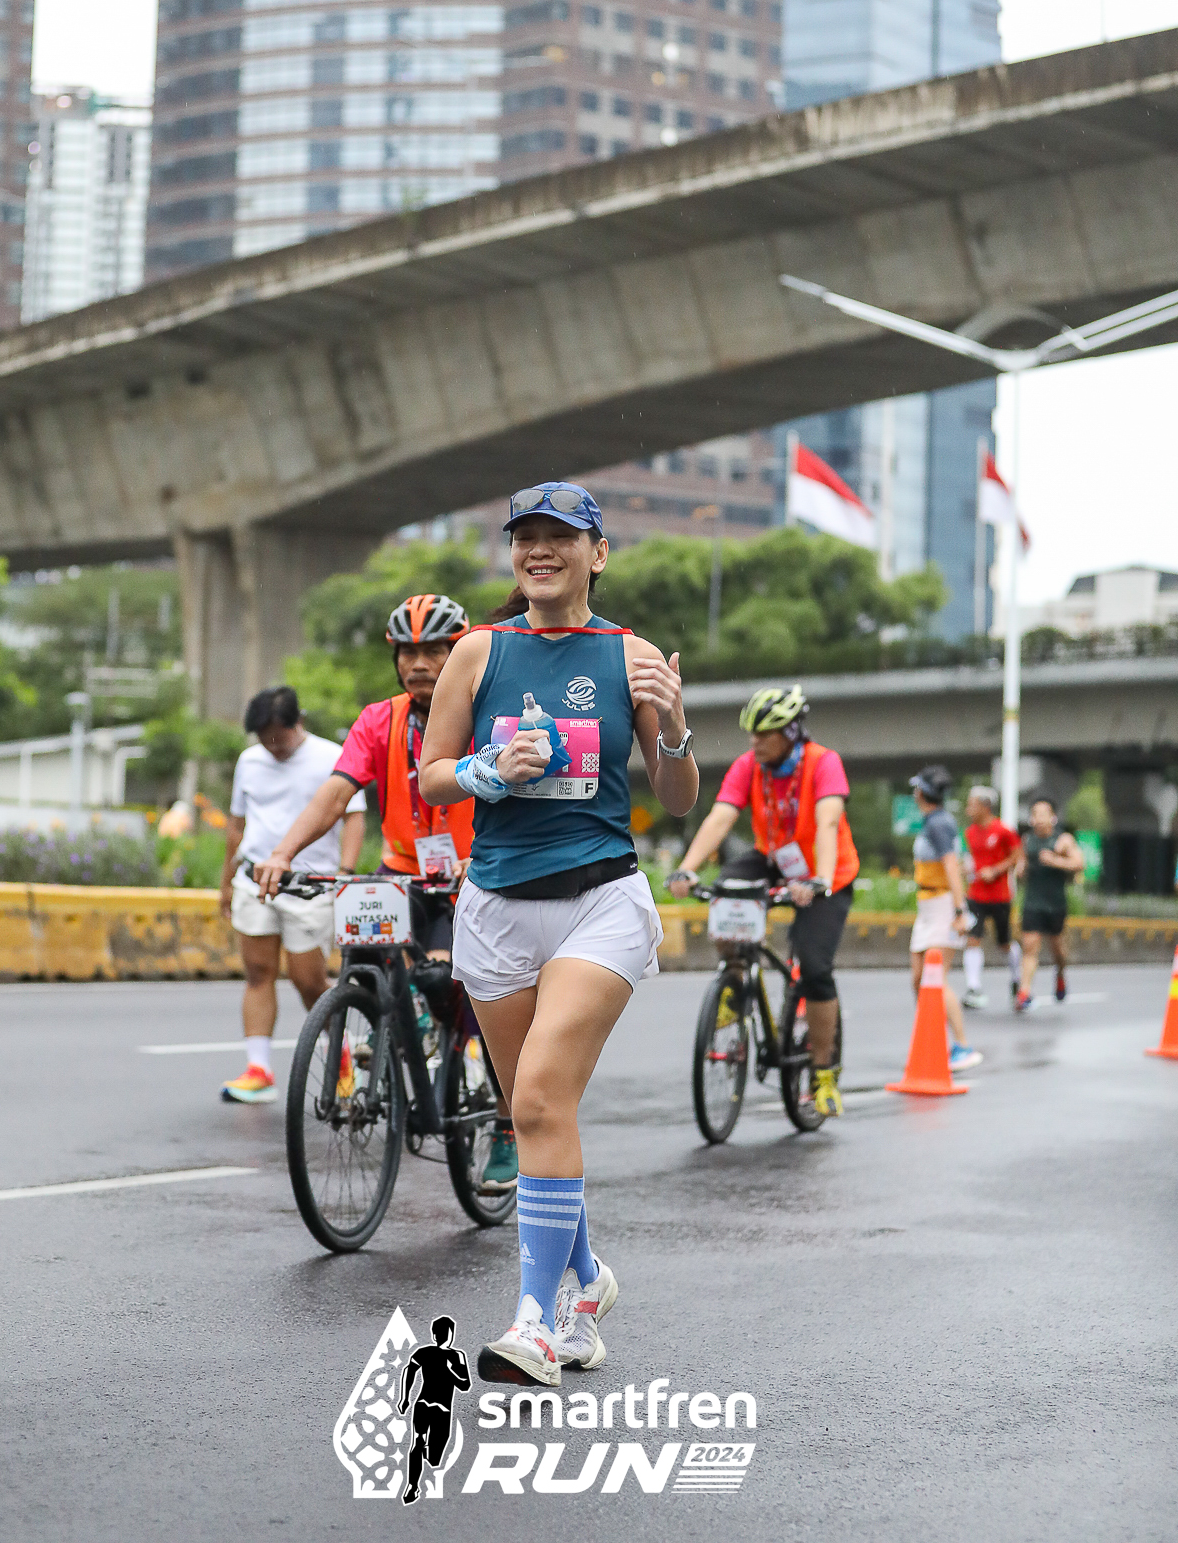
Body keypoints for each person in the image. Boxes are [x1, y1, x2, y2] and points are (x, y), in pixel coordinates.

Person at [418, 481, 698, 1388]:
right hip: (496, 905)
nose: (540, 550)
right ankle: (586, 1279)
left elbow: (677, 798)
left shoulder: (630, 657)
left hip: (598, 901)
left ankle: (535, 1324)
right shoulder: (476, 651)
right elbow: (430, 776)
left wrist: (676, 725)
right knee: (534, 1112)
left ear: (597, 553)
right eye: (525, 537)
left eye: (561, 537)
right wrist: (485, 769)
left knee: (538, 1096)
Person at [252, 595, 520, 1189]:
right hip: (401, 873)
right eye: (407, 652)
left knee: (466, 989)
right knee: (365, 948)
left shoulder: (490, 711)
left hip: (475, 877)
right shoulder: (379, 720)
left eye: (434, 651)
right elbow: (335, 794)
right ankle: (392, 1024)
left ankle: (506, 1125)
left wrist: (482, 856)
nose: (418, 664)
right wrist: (283, 853)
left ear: (460, 653)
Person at [668, 683, 856, 1119]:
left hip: (825, 871)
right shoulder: (748, 766)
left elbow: (828, 822)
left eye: (764, 733)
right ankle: (735, 985)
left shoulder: (823, 763)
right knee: (725, 893)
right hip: (774, 858)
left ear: (790, 733)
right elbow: (721, 817)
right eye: (751, 733)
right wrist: (687, 868)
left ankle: (823, 1072)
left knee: (814, 969)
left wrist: (820, 879)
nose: (754, 741)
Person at [218, 685, 366, 1105]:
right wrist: (225, 883)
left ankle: (342, 1062)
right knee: (258, 973)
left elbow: (354, 817)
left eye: (278, 738)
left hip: (309, 885)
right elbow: (236, 826)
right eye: (263, 739)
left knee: (308, 980)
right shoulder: (250, 761)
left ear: (297, 722)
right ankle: (258, 1070)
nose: (271, 747)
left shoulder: (331, 756)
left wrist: (345, 873)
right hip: (253, 881)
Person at [908, 766, 982, 1072]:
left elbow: (952, 865)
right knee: (918, 979)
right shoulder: (934, 821)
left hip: (941, 905)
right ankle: (934, 1040)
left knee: (936, 979)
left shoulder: (939, 823)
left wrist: (960, 910)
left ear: (923, 793)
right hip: (927, 905)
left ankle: (962, 1046)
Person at [1014, 794, 1084, 1012]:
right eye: (1035, 814)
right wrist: (1020, 870)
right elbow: (1020, 866)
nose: (1039, 819)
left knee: (1058, 951)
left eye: (1044, 814)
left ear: (1053, 817)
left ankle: (1060, 974)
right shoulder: (1027, 840)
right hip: (1033, 902)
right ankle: (1024, 992)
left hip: (1055, 904)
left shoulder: (1063, 840)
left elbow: (1079, 863)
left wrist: (1055, 860)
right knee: (1030, 947)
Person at [397, 1315, 471, 1506]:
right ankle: (412, 1486)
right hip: (425, 1404)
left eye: (446, 1332)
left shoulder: (457, 1356)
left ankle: (425, 1453)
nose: (443, 1336)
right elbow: (409, 1370)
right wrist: (405, 1397)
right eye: (441, 1332)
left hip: (441, 1410)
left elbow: (465, 1385)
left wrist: (448, 1371)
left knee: (434, 1458)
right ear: (435, 1334)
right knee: (418, 1440)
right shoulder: (425, 1352)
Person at [961, 784, 1023, 1009]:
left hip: (1000, 896)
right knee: (972, 939)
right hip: (976, 894)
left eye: (972, 805)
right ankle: (973, 987)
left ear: (985, 806)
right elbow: (970, 858)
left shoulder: (1003, 831)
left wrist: (995, 870)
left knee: (1004, 943)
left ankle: (1017, 978)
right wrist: (965, 869)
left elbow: (1017, 856)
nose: (968, 809)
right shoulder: (969, 833)